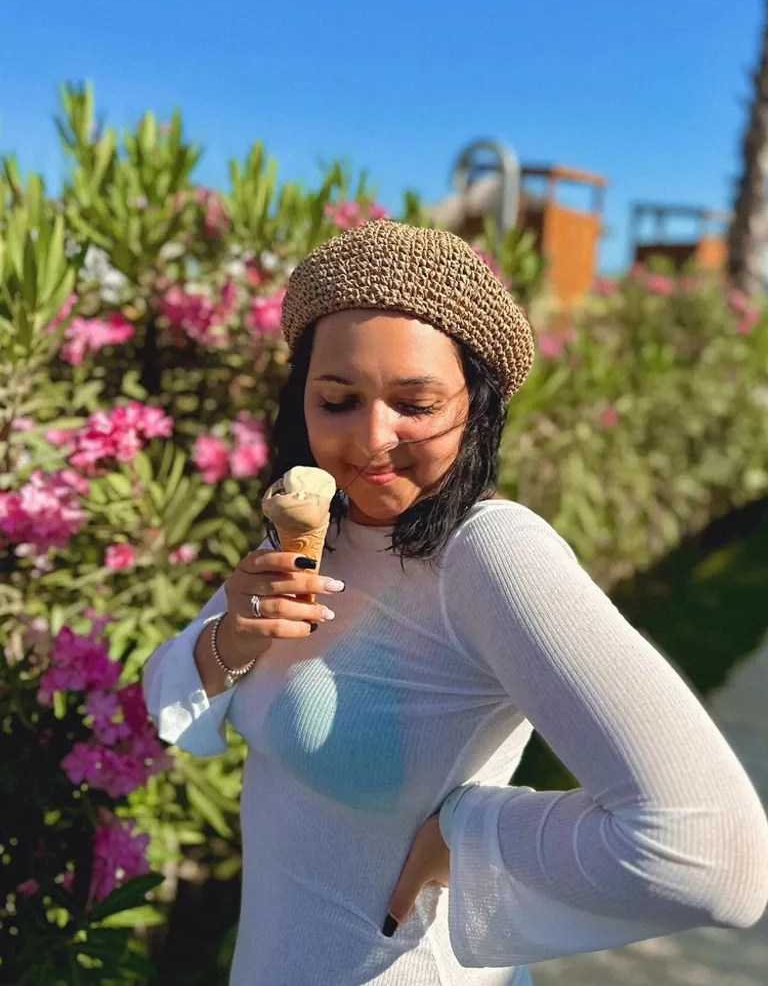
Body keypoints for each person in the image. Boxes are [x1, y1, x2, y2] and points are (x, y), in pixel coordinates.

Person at [143, 220, 768, 986]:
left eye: (415, 403)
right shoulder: (324, 531)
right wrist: (225, 644)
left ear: (476, 406)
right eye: (338, 399)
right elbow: (163, 693)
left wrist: (472, 834)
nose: (373, 439)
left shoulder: (488, 554)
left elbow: (715, 853)